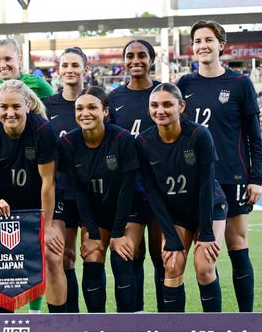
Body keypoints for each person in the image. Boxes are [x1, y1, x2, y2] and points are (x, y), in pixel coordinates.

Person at [177, 20, 262, 312]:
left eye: (209, 40)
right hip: (197, 181)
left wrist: (257, 177)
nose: (203, 45)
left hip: (233, 176)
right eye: (198, 40)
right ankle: (213, 325)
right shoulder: (184, 85)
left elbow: (254, 135)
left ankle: (247, 321)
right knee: (204, 256)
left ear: (221, 46)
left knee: (238, 247)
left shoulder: (240, 83)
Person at [0, 79, 67, 313]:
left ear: (27, 105)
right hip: (8, 208)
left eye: (16, 106)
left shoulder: (42, 130)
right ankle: (6, 324)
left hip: (42, 203)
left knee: (53, 257)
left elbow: (48, 182)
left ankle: (58, 325)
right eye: (4, 107)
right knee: (5, 265)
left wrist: (46, 227)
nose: (10, 113)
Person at [136, 83, 228, 312]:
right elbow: (154, 193)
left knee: (205, 266)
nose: (160, 110)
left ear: (181, 106)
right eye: (154, 105)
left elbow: (207, 184)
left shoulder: (198, 134)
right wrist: (171, 236)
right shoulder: (144, 142)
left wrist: (206, 232)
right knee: (173, 263)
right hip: (177, 212)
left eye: (168, 104)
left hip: (210, 207)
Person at [58, 87, 142, 313]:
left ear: (105, 111)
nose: (85, 113)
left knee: (121, 255)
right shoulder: (68, 143)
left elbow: (127, 188)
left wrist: (116, 233)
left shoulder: (122, 139)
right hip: (95, 211)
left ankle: (126, 326)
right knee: (93, 256)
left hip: (128, 209)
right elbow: (78, 192)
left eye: (92, 107)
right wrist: (93, 233)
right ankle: (97, 326)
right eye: (80, 108)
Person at [108, 39, 163, 312]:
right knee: (129, 255)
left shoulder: (164, 93)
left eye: (142, 55)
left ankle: (168, 325)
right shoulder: (114, 98)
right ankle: (132, 320)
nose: (136, 60)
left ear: (152, 59)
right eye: (130, 56)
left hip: (160, 187)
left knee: (162, 256)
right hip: (127, 188)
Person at [43, 46, 89, 312]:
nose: (70, 70)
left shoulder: (96, 101)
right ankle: (67, 325)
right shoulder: (47, 107)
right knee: (64, 256)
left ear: (86, 69)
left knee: (94, 255)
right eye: (65, 65)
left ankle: (97, 324)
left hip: (95, 191)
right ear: (58, 71)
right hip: (62, 192)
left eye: (75, 65)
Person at [0, 38, 54, 120]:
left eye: (8, 59)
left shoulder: (38, 83)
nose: (2, 65)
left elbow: (56, 112)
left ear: (19, 60)